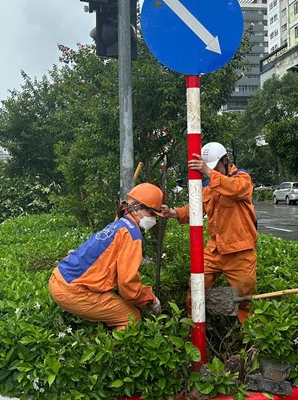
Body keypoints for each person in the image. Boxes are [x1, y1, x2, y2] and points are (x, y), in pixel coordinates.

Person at [162, 141, 258, 324]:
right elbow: (197, 208)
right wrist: (173, 213)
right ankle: (193, 333)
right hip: (215, 250)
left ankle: (249, 345)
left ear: (226, 161)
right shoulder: (211, 186)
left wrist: (207, 171)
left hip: (240, 252)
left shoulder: (242, 178)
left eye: (215, 167)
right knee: (195, 290)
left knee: (245, 302)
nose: (212, 171)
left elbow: (236, 189)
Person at [49, 183, 163, 331]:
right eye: (152, 214)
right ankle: (114, 351)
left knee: (119, 305)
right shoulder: (132, 235)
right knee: (132, 317)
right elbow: (128, 285)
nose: (153, 219)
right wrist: (150, 299)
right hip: (73, 291)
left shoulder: (120, 225)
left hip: (59, 278)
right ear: (136, 208)